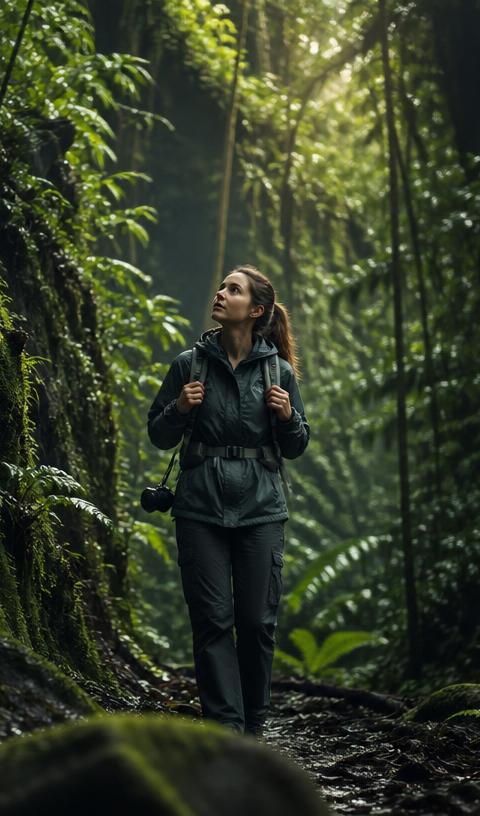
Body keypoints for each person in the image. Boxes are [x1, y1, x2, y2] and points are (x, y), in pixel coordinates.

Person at [147, 264, 310, 737]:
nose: (220, 293)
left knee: (257, 622)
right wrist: (179, 408)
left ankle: (253, 726)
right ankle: (225, 728)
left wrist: (286, 418)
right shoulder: (188, 364)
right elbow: (158, 434)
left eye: (233, 290)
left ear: (255, 310)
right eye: (221, 287)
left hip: (262, 509)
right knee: (213, 620)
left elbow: (297, 445)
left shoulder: (277, 370)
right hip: (199, 508)